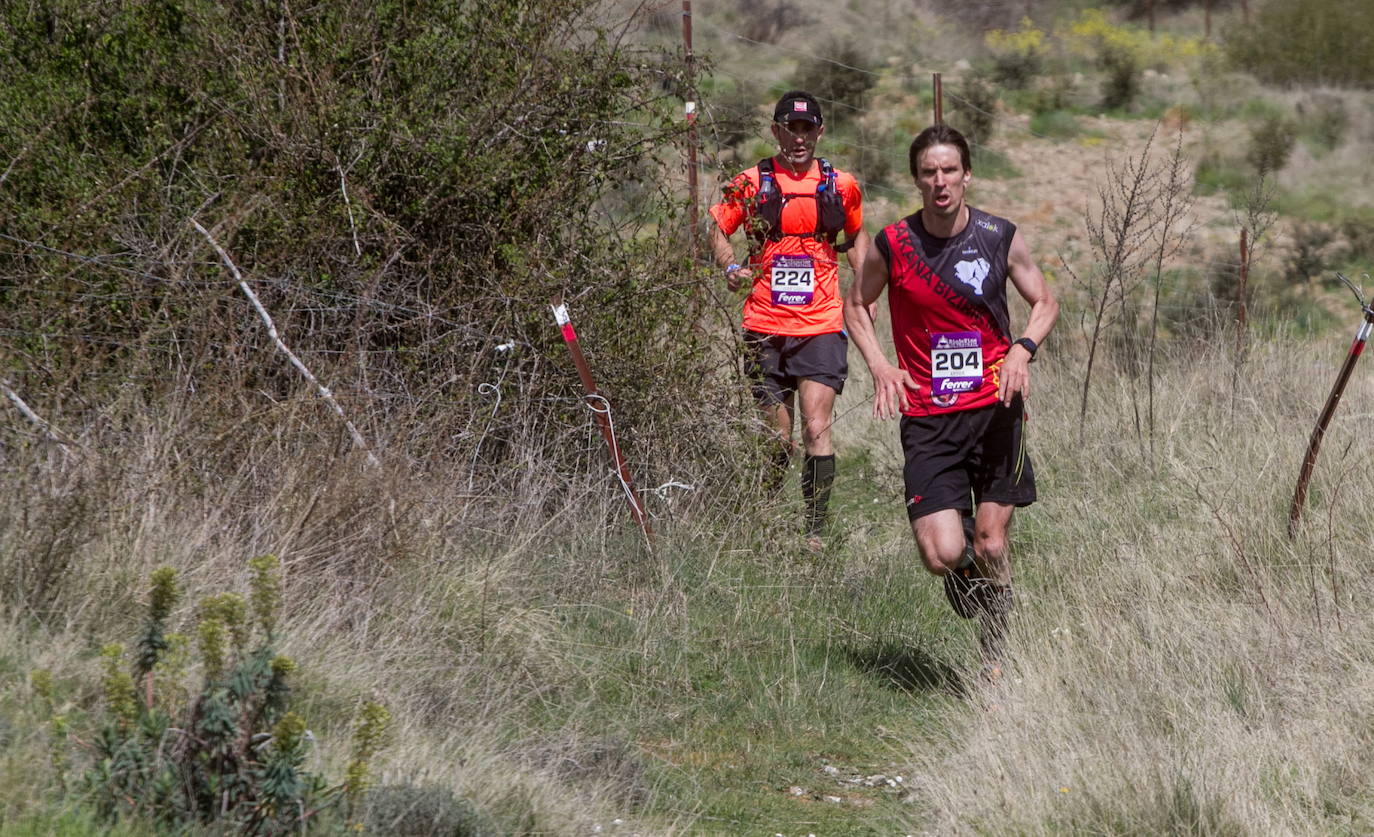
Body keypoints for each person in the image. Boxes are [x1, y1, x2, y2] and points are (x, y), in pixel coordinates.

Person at [842, 124, 1058, 676]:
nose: (940, 182)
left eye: (949, 170)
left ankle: (995, 655)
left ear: (967, 175)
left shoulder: (998, 235)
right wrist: (880, 364)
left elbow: (1045, 301)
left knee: (990, 541)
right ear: (916, 179)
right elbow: (856, 305)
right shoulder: (894, 243)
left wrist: (1021, 351)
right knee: (942, 554)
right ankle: (969, 580)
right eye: (928, 173)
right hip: (929, 418)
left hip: (995, 411)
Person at [709, 90, 871, 549]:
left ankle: (814, 533)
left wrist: (864, 288)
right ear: (776, 130)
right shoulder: (751, 181)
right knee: (778, 440)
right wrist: (729, 266)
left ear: (819, 131)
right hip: (763, 324)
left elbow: (857, 235)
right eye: (790, 128)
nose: (798, 138)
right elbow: (716, 226)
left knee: (816, 426)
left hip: (821, 324)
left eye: (807, 128)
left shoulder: (842, 185)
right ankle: (761, 514)